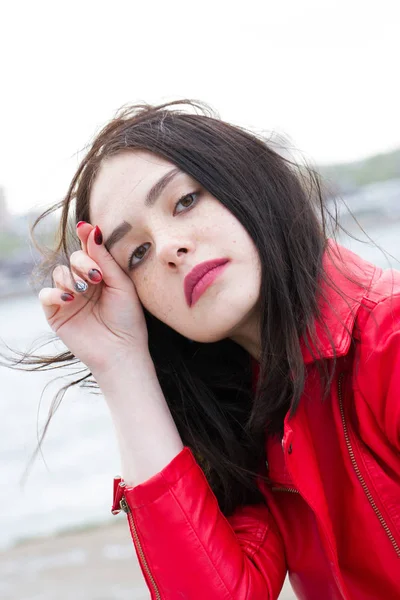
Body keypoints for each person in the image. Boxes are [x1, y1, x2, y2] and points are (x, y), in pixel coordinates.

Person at [25, 101, 400, 598]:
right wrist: (121, 365)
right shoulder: (246, 421)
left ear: (245, 182)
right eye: (136, 254)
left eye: (183, 201)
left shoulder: (387, 343)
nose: (167, 248)